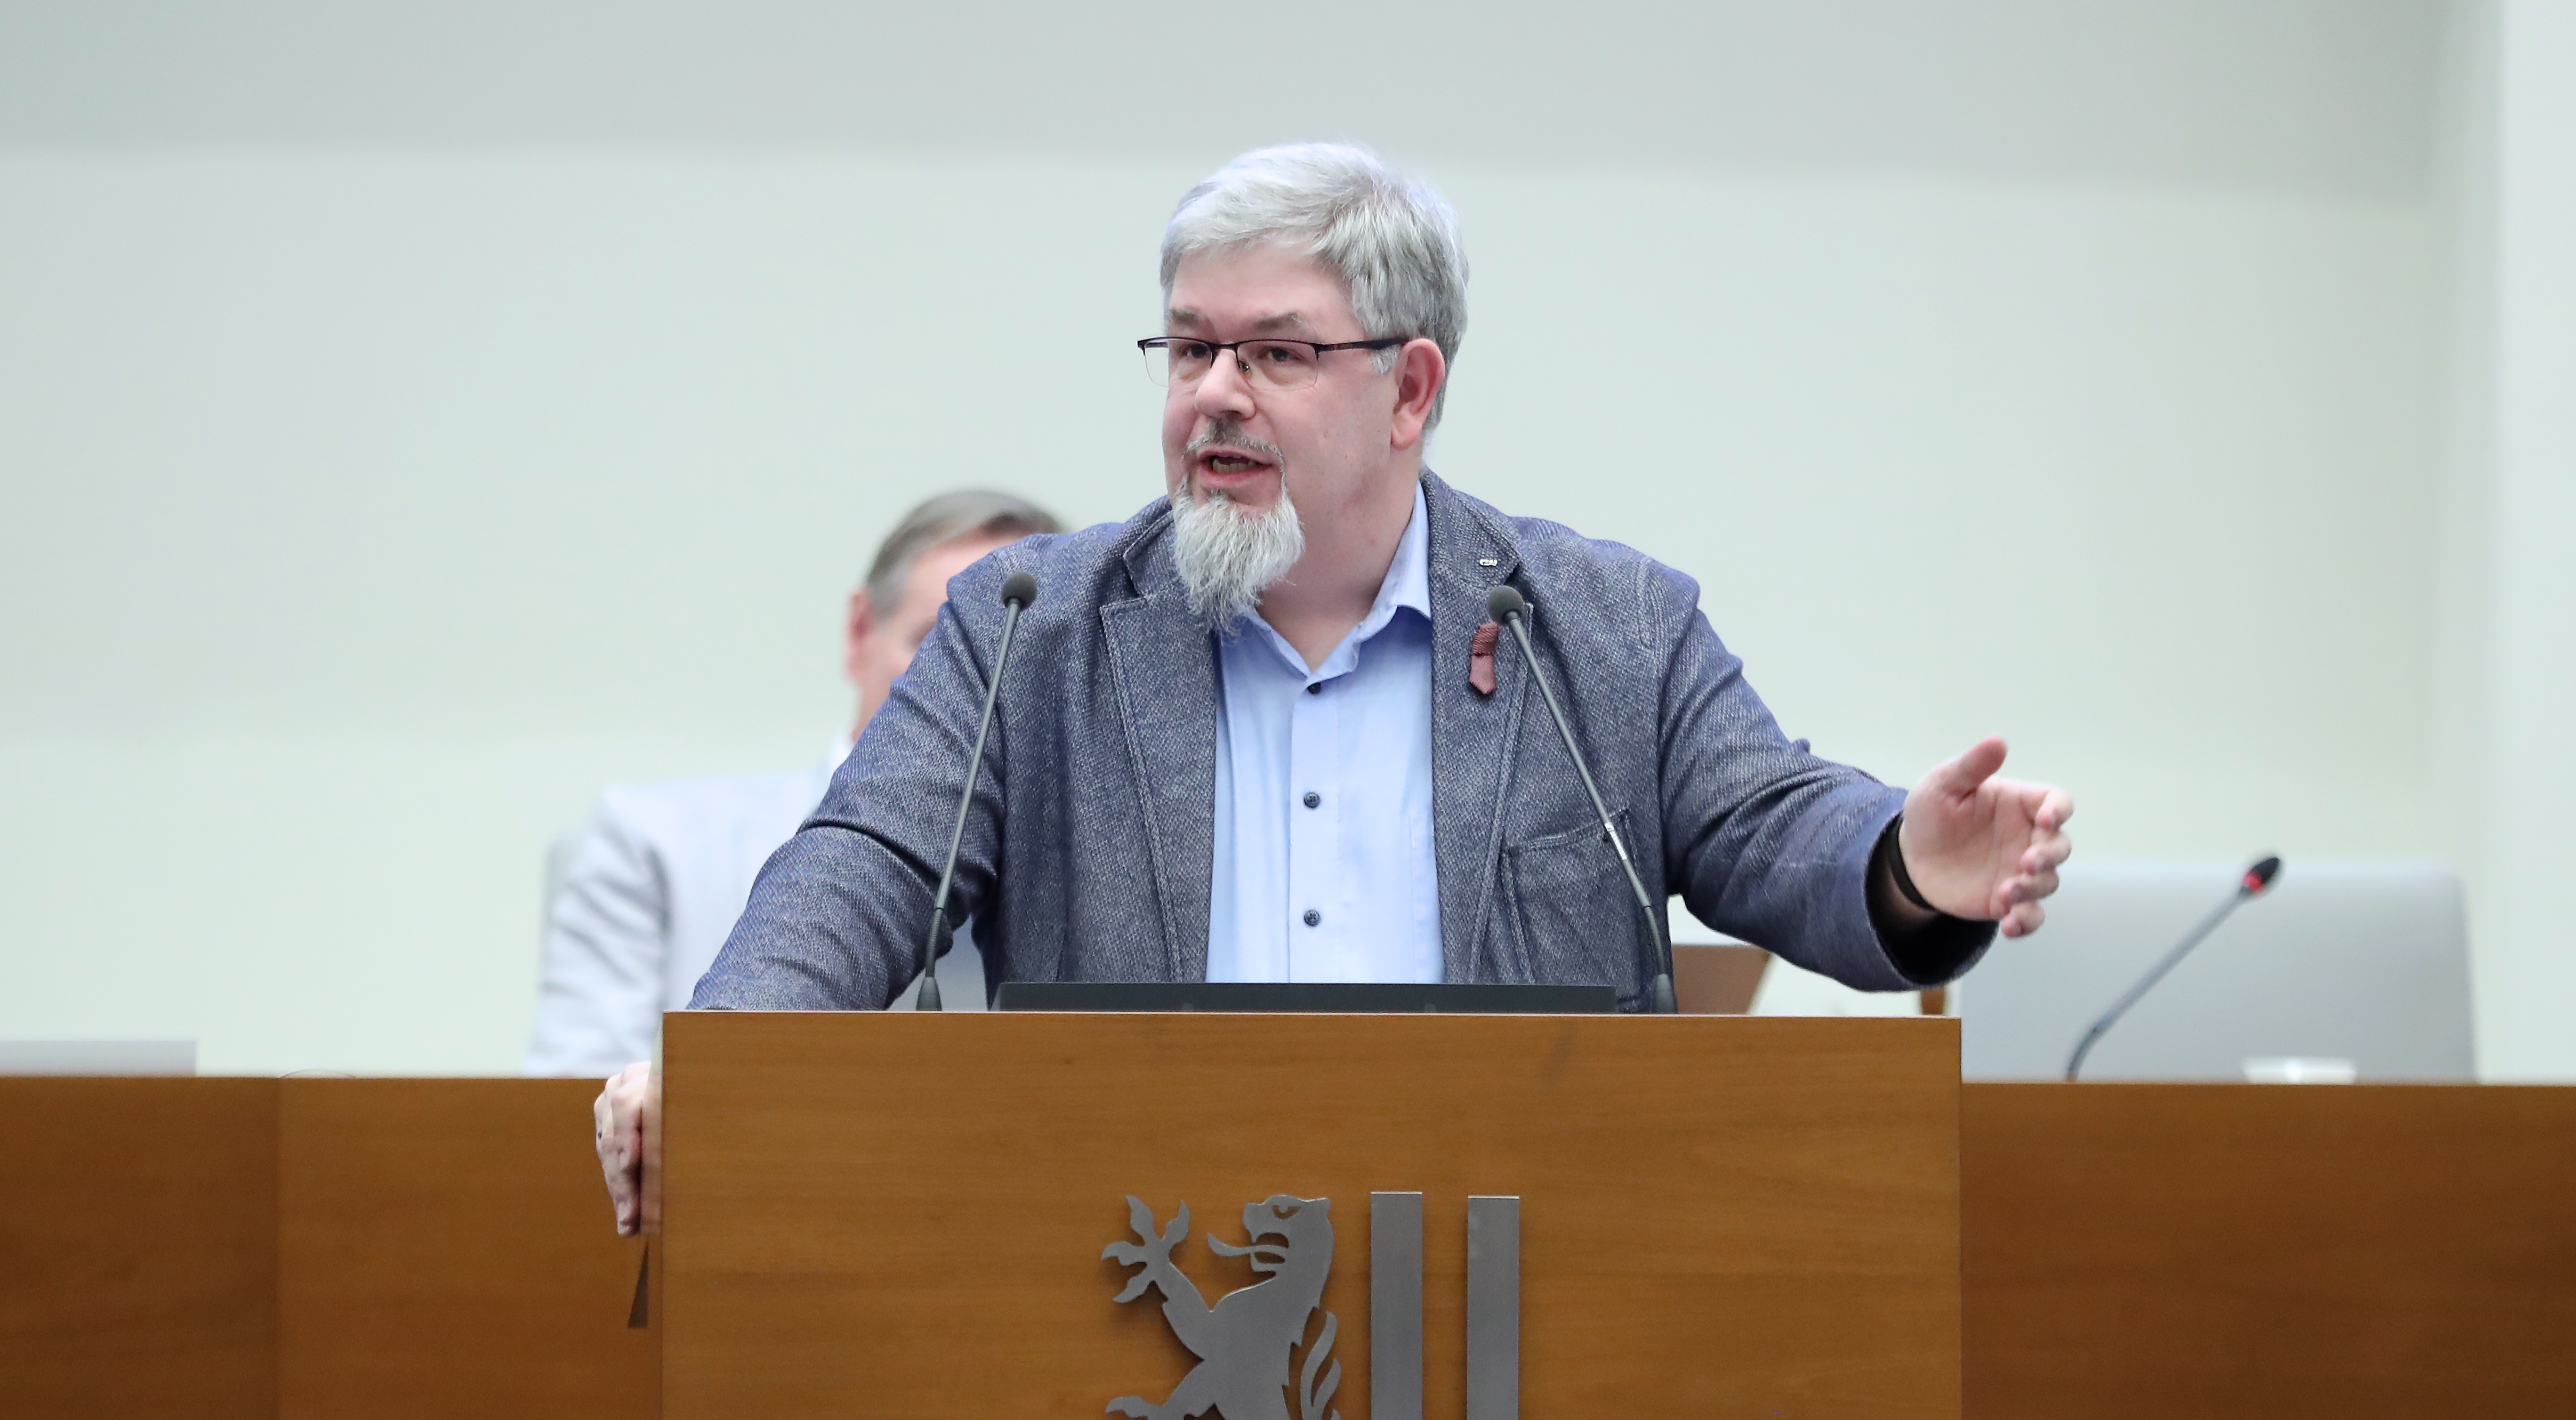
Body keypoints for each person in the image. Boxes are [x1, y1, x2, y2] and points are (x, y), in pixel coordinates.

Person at [592, 143, 2072, 1231]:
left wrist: (1907, 866)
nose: (1214, 393)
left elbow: (1776, 830)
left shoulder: (1602, 630)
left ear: (1412, 389)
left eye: (1277, 353)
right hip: (1124, 1283)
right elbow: (864, 867)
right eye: (1189, 348)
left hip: (1524, 1290)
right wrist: (725, 1061)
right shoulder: (1031, 627)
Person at [526, 489, 1062, 1075]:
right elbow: (576, 1118)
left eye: (1018, 659)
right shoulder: (657, 848)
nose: (974, 687)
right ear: (860, 632)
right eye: (939, 646)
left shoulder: (1095, 883)